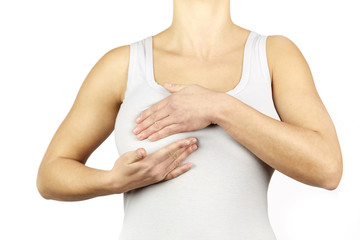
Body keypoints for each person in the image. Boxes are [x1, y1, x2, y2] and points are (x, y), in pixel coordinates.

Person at [36, 0, 343, 239]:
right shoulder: (122, 65)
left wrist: (221, 108)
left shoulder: (274, 55)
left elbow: (327, 169)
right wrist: (110, 181)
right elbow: (51, 175)